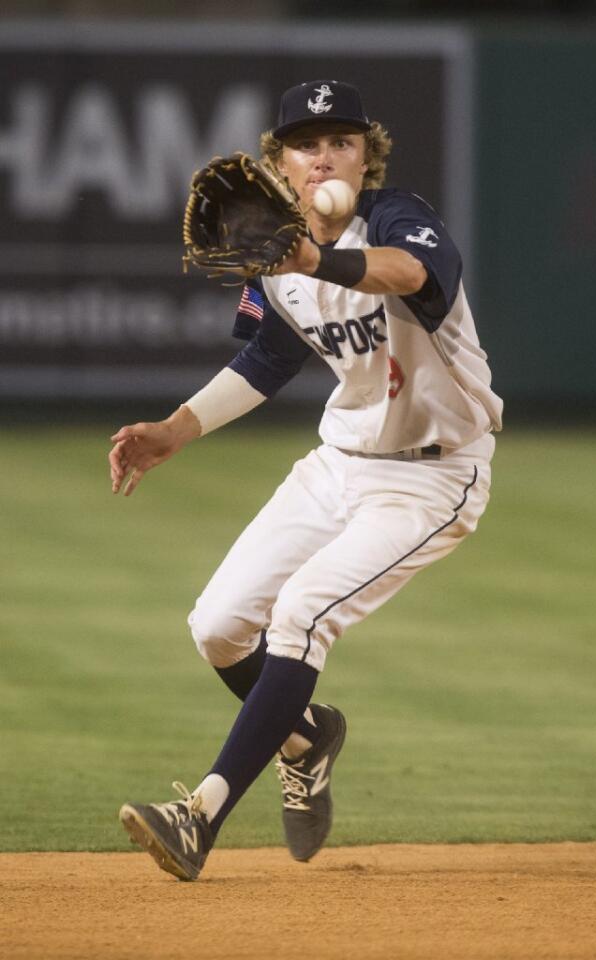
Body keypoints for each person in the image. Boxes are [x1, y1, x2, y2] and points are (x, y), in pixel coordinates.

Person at [110, 79, 503, 882]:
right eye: (306, 143)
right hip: (338, 465)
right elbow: (266, 358)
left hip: (432, 479)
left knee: (299, 616)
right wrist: (174, 431)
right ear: (280, 163)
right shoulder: (276, 263)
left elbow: (406, 273)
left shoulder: (396, 218)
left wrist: (316, 256)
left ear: (367, 157)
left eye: (343, 141)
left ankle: (199, 818)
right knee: (216, 626)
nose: (325, 156)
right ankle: (306, 735)